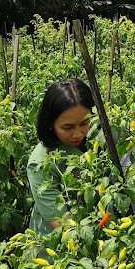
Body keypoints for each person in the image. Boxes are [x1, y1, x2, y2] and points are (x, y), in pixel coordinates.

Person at [27, 78, 94, 235]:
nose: (78, 134)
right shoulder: (40, 163)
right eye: (67, 127)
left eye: (85, 123)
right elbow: (61, 224)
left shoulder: (97, 137)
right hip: (57, 249)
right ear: (50, 124)